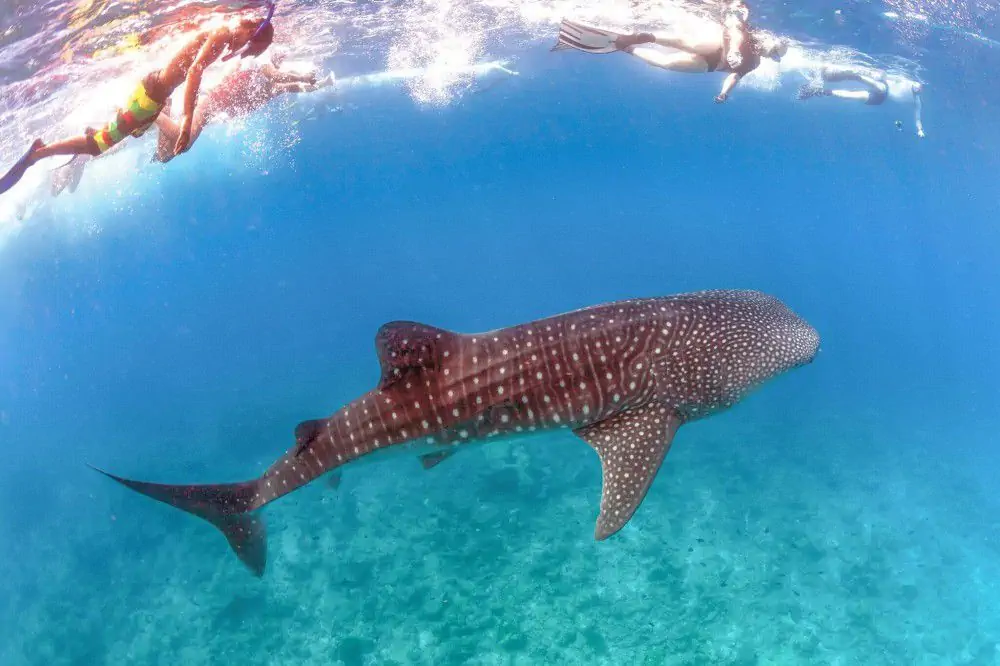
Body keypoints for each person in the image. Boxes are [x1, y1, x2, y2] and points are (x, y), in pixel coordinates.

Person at [0, 6, 276, 195]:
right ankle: (39, 153)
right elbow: (194, 71)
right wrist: (188, 118)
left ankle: (88, 137)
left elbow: (190, 68)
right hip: (150, 96)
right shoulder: (224, 33)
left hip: (155, 96)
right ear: (251, 31)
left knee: (122, 136)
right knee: (99, 145)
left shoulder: (224, 32)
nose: (240, 50)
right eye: (248, 46)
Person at [554, 2, 788, 103]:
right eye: (773, 51)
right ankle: (640, 38)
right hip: (718, 47)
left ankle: (628, 46)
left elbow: (735, 76)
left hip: (711, 64)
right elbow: (736, 33)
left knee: (665, 62)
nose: (770, 54)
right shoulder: (750, 35)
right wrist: (735, 51)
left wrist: (724, 93)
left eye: (773, 55)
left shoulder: (755, 64)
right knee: (687, 43)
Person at [153, 51, 328, 163]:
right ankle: (157, 113)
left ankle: (161, 109)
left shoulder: (262, 87)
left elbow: (285, 83)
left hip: (215, 108)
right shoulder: (260, 60)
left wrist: (310, 83)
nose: (280, 62)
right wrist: (304, 78)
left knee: (168, 153)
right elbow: (278, 76)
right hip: (210, 100)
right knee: (178, 146)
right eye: (279, 59)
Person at [797, 66, 926, 138]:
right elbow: (887, 75)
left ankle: (817, 92)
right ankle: (834, 73)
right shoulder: (905, 81)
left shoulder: (916, 100)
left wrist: (919, 130)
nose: (917, 89)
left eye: (919, 90)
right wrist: (879, 74)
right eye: (917, 86)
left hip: (880, 99)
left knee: (850, 96)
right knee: (876, 86)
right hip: (883, 87)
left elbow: (917, 118)